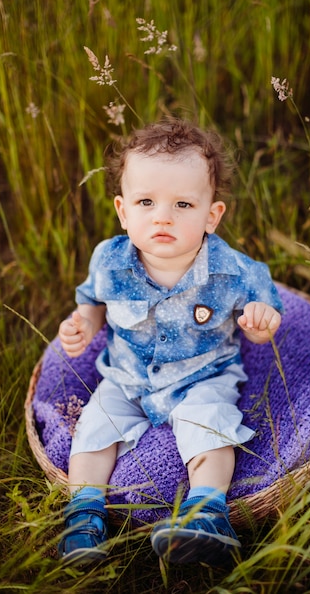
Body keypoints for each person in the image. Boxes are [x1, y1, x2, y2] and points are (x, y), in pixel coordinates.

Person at [57, 117, 283, 565]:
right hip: (127, 376)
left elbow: (264, 306)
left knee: (211, 424)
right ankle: (83, 516)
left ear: (211, 215)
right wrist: (83, 322)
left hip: (203, 373)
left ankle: (206, 515)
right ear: (123, 212)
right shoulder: (110, 260)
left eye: (182, 204)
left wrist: (261, 321)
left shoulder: (232, 270)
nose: (162, 216)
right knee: (93, 428)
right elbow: (92, 300)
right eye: (146, 201)